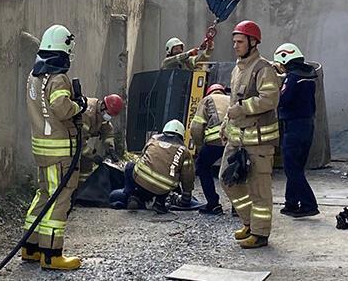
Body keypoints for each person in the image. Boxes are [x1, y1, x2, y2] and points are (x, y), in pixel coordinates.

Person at [23, 24, 86, 270]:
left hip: (42, 149)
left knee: (43, 195)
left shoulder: (34, 75)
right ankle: (51, 255)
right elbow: (61, 108)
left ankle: (31, 248)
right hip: (60, 152)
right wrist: (79, 105)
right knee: (59, 199)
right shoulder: (58, 78)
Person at [219, 20, 281, 249]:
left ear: (253, 43)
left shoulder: (263, 69)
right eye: (234, 41)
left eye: (240, 42)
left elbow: (269, 99)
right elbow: (234, 102)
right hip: (238, 139)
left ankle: (260, 234)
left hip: (259, 143)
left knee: (259, 190)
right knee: (227, 179)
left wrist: (243, 109)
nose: (235, 45)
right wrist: (226, 123)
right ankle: (249, 223)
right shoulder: (238, 69)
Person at [109, 120, 194, 214]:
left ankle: (133, 196)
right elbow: (187, 177)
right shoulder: (185, 151)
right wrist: (186, 196)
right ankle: (159, 203)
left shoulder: (154, 139)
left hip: (141, 181)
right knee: (170, 176)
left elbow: (143, 157)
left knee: (129, 166)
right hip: (163, 188)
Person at [274, 43, 319, 218]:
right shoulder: (308, 75)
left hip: (293, 127)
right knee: (296, 167)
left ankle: (309, 204)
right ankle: (291, 203)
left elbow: (283, 100)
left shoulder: (292, 78)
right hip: (307, 125)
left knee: (292, 168)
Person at [190, 83, 230, 215]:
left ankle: (213, 204)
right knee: (234, 170)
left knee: (202, 166)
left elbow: (196, 127)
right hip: (233, 140)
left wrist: (200, 146)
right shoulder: (231, 99)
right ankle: (238, 207)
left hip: (215, 141)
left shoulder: (207, 100)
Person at [79, 94, 124, 184]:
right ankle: (77, 189)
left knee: (86, 167)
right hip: (70, 140)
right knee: (81, 165)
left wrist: (110, 148)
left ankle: (83, 188)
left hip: (80, 141)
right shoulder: (88, 114)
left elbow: (107, 129)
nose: (108, 116)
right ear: (104, 106)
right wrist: (93, 156)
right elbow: (79, 141)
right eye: (109, 114)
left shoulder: (100, 111)